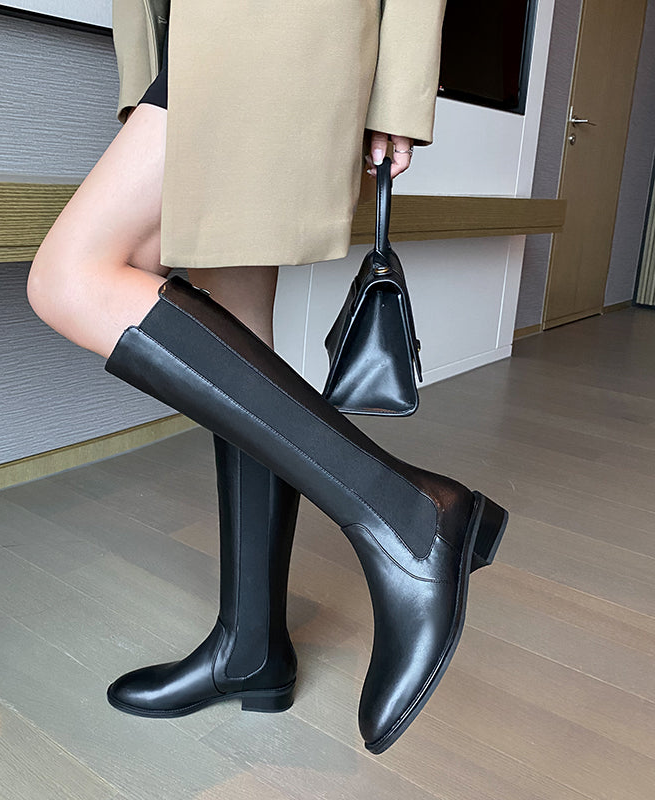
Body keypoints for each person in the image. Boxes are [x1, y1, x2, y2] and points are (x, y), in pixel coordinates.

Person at [26, 1, 508, 754]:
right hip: (197, 34)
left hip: (277, 24)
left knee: (68, 279)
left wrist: (400, 90)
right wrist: (146, 78)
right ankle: (250, 648)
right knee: (235, 324)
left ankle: (411, 515)